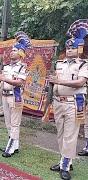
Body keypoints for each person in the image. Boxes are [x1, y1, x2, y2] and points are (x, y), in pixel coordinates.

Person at [49, 20, 88, 180]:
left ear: (79, 48)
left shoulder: (83, 65)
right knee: (60, 134)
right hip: (58, 101)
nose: (69, 50)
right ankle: (63, 159)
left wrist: (58, 82)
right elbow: (54, 80)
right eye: (68, 48)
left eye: (73, 48)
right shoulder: (59, 63)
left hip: (73, 103)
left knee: (70, 136)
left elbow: (80, 82)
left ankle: (65, 165)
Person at [0, 32, 30, 158]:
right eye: (12, 50)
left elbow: (19, 83)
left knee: (15, 123)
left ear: (21, 53)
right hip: (5, 96)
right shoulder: (7, 67)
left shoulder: (23, 68)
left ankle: (10, 148)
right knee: (8, 123)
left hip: (15, 97)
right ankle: (14, 145)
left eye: (15, 50)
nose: (12, 52)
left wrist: (4, 79)